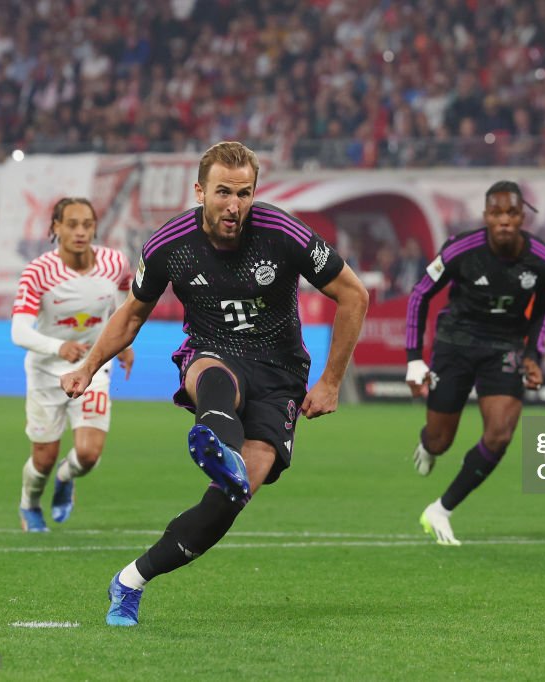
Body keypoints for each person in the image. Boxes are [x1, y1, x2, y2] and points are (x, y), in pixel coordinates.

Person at [60, 142, 368, 626]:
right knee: (216, 378)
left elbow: (353, 294)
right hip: (212, 353)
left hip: (281, 374)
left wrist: (331, 381)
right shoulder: (169, 245)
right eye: (223, 192)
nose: (234, 205)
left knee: (233, 497)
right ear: (200, 190)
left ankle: (130, 580)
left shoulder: (282, 232)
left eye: (244, 193)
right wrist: (89, 365)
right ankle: (218, 444)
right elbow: (132, 314)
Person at [405, 180, 545, 546]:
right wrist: (414, 358)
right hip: (456, 342)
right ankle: (428, 445)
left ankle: (441, 509)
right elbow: (420, 295)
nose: (504, 220)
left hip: (504, 347)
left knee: (501, 434)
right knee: (441, 440)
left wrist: (534, 354)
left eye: (512, 213)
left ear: (523, 216)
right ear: (486, 216)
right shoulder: (462, 249)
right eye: (497, 213)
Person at [11, 197, 134, 532]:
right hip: (45, 372)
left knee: (89, 454)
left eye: (87, 224)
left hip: (92, 367)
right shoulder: (38, 272)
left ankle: (67, 477)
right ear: (56, 228)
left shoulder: (114, 262)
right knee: (43, 459)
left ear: (95, 227)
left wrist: (123, 342)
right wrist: (58, 346)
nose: (80, 232)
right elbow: (19, 330)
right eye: (72, 224)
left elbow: (125, 299)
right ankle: (30, 504)